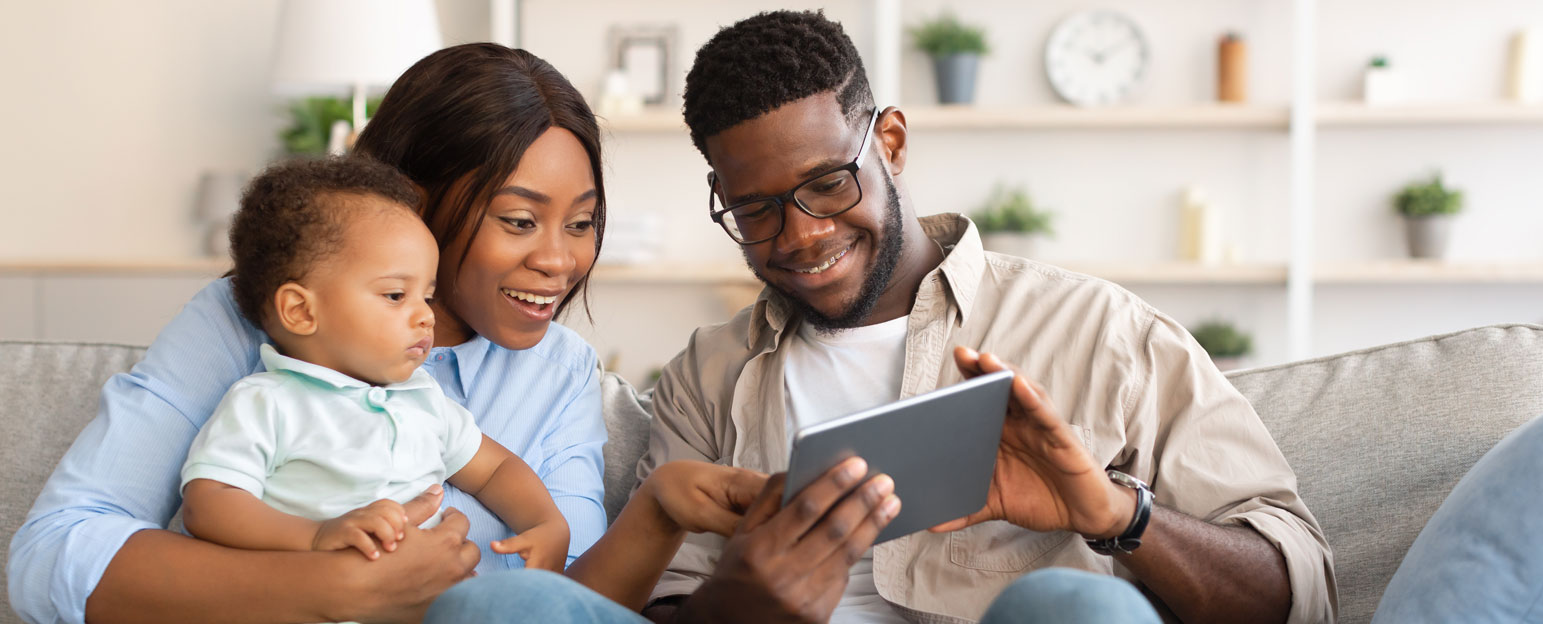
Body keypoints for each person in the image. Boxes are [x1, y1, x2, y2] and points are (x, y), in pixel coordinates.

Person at [8, 43, 887, 624]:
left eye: (581, 224)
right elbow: (53, 554)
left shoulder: (559, 376)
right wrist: (325, 584)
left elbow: (558, 607)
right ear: (414, 208)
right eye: (517, 220)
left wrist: (654, 512)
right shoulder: (264, 320)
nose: (559, 261)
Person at [636, 11, 1337, 624]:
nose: (801, 236)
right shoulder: (706, 377)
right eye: (756, 210)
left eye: (828, 184)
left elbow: (1295, 594)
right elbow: (651, 601)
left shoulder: (1101, 331)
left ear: (892, 143)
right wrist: (730, 608)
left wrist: (1115, 513)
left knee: (1070, 606)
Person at [179, 157, 569, 572]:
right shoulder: (267, 401)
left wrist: (546, 522)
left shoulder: (422, 399)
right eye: (396, 296)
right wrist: (314, 536)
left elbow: (496, 469)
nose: (426, 316)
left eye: (428, 296)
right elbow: (210, 502)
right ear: (300, 311)